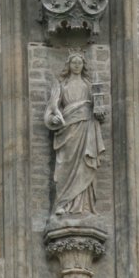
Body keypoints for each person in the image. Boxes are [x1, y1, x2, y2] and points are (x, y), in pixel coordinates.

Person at [44, 52, 105, 216]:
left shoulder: (89, 85)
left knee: (84, 165)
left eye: (79, 63)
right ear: (69, 65)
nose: (77, 65)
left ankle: (84, 206)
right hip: (67, 130)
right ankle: (63, 203)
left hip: (86, 128)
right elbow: (51, 110)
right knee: (65, 165)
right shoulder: (61, 86)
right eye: (74, 63)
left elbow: (99, 110)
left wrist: (100, 113)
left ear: (83, 65)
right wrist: (54, 119)